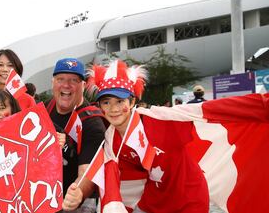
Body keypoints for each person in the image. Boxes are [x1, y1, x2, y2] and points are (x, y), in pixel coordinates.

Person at [88, 60, 209, 213]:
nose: (113, 109)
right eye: (106, 102)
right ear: (100, 106)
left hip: (188, 197)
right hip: (154, 201)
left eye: (120, 101)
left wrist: (248, 107)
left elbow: (208, 114)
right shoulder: (112, 141)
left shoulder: (161, 119)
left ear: (132, 102)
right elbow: (116, 179)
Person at [46, 58, 106, 212]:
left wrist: (77, 192)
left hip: (77, 203)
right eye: (61, 79)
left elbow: (86, 173)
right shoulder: (47, 107)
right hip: (46, 195)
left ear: (83, 86)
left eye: (74, 80)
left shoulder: (93, 123)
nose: (66, 85)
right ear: (52, 83)